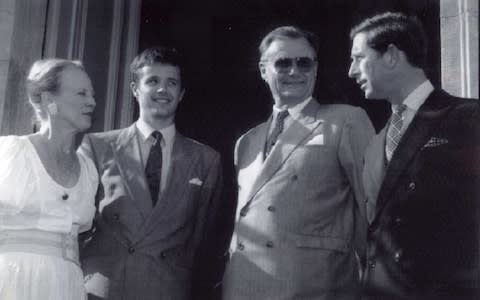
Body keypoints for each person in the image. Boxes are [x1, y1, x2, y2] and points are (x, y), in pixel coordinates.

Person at [222, 26, 375, 300]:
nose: (295, 71)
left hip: (315, 285)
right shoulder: (246, 142)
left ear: (315, 69)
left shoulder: (345, 121)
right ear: (263, 70)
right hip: (244, 286)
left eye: (304, 62)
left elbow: (371, 208)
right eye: (283, 63)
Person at [348, 12, 480, 300]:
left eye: (358, 57)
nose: (351, 71)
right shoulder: (374, 147)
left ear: (391, 55)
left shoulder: (469, 118)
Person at [80, 46, 224, 300]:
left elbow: (201, 238)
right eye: (153, 81)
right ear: (135, 89)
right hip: (104, 289)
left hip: (167, 287)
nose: (162, 90)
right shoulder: (97, 146)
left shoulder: (206, 160)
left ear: (181, 94)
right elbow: (78, 222)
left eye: (171, 83)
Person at [0, 59, 97, 299]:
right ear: (47, 99)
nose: (92, 102)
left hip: (66, 286)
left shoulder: (88, 170)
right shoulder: (14, 154)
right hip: (14, 282)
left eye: (93, 94)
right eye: (81, 93)